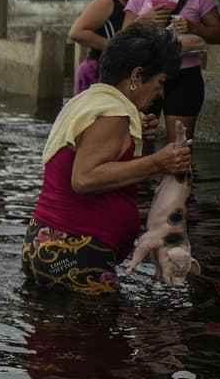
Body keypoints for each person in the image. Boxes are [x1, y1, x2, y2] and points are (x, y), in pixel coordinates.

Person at [21, 24, 192, 296]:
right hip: (75, 252)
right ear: (137, 76)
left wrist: (143, 142)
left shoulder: (89, 100)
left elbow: (113, 168)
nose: (161, 94)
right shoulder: (113, 113)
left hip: (47, 245)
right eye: (160, 83)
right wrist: (159, 162)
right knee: (97, 338)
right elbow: (85, 178)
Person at [121, 0, 220, 143]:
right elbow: (122, 40)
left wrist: (193, 27)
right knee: (141, 146)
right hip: (145, 77)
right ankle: (144, 177)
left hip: (184, 77)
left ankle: (179, 177)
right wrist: (143, 21)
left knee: (180, 148)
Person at [68, 0, 142, 95]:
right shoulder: (107, 1)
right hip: (97, 70)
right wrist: (114, 46)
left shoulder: (135, 4)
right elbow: (77, 32)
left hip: (118, 72)